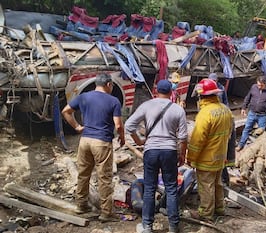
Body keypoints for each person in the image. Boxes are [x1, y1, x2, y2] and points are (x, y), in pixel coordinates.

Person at [124, 79, 188, 233]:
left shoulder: (147, 105)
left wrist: (139, 140)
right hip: (170, 151)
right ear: (171, 92)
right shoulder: (178, 110)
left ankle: (147, 226)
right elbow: (183, 138)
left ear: (156, 91)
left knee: (150, 188)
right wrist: (182, 155)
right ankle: (173, 226)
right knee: (171, 188)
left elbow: (128, 125)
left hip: (151, 150)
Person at [61, 73, 125, 222]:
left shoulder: (84, 97)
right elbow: (118, 125)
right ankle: (106, 213)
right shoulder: (113, 101)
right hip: (101, 142)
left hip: (85, 141)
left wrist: (77, 127)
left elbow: (66, 111)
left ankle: (81, 205)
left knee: (83, 174)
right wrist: (121, 137)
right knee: (104, 177)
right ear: (108, 84)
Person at [186, 78, 233, 221]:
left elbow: (197, 140)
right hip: (220, 156)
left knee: (206, 186)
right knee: (218, 183)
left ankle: (205, 213)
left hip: (206, 158)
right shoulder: (226, 110)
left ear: (201, 96)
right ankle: (220, 208)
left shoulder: (205, 113)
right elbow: (230, 133)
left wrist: (191, 158)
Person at [236, 76, 266, 151]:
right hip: (252, 113)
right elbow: (248, 97)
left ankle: (259, 148)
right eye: (258, 85)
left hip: (263, 115)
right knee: (246, 129)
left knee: (261, 132)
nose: (259, 87)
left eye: (261, 85)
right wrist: (243, 108)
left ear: (265, 84)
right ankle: (240, 145)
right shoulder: (254, 87)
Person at [208, 73, 235, 185]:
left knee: (220, 163)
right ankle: (223, 181)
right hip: (222, 145)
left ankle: (223, 181)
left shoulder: (209, 114)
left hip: (218, 147)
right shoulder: (225, 114)